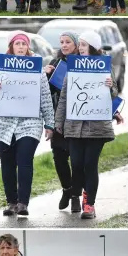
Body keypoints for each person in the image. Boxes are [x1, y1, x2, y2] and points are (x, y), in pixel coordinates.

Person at [0, 30, 54, 216]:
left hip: (30, 123)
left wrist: (49, 124)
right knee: (7, 165)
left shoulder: (37, 69)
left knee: (24, 162)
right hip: (3, 126)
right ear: (11, 47)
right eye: (17, 44)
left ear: (28, 47)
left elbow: (45, 98)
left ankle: (23, 203)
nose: (21, 47)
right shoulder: (0, 68)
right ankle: (11, 203)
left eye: (24, 44)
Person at [55, 30, 118, 219]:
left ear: (92, 46)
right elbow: (64, 97)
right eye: (80, 45)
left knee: (90, 164)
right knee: (77, 164)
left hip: (97, 128)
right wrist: (59, 121)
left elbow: (114, 94)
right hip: (74, 127)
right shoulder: (72, 67)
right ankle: (82, 193)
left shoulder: (105, 66)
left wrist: (110, 87)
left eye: (83, 45)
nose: (80, 48)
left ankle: (89, 204)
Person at [44, 31, 79, 211]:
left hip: (78, 119)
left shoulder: (83, 63)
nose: (64, 45)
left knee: (77, 159)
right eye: (61, 42)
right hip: (58, 118)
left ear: (76, 45)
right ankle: (67, 189)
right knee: (59, 158)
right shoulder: (55, 63)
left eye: (68, 42)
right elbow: (45, 94)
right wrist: (45, 75)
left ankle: (75, 196)